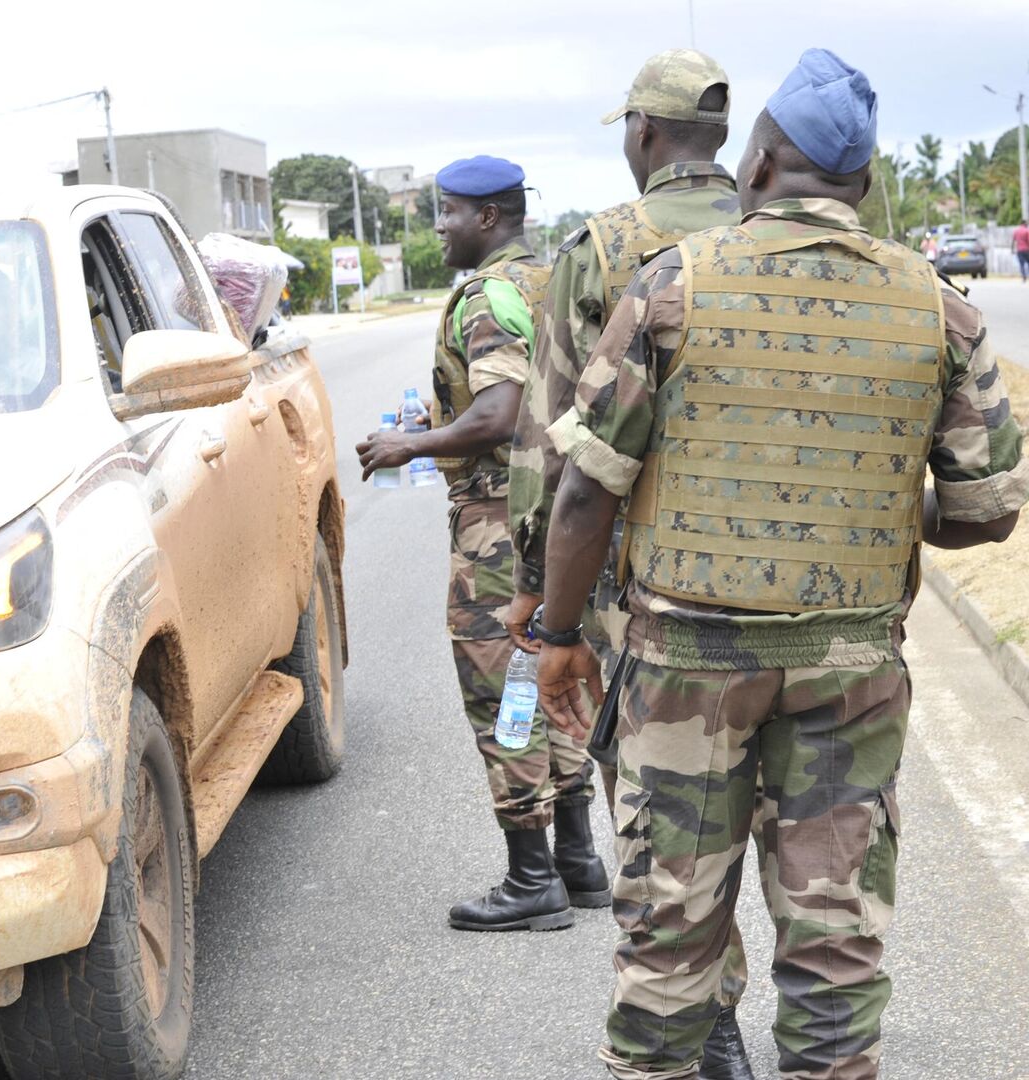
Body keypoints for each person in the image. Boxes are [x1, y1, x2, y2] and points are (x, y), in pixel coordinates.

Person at [533, 48, 1027, 1079]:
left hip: (683, 672)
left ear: (756, 167)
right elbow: (984, 514)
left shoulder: (671, 287)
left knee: (669, 947)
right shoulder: (938, 306)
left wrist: (558, 636)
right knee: (836, 955)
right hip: (852, 672)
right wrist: (885, 512)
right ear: (863, 182)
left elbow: (586, 489)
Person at [500, 49, 755, 1076]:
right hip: (789, 587)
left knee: (666, 824)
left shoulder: (600, 249)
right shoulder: (780, 232)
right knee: (786, 819)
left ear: (644, 135)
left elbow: (551, 440)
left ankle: (713, 1022)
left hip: (638, 594)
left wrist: (536, 590)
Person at [355, 155, 599, 933]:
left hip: (498, 524)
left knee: (508, 694)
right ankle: (579, 861)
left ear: (488, 217)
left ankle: (532, 880)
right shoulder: (549, 279)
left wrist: (411, 446)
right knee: (548, 677)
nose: (439, 226)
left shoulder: (487, 297)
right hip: (559, 516)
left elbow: (498, 414)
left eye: (449, 212)